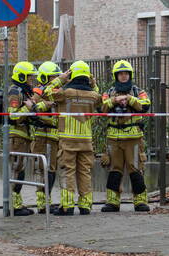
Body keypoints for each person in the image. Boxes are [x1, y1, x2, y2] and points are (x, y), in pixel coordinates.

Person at [49, 60, 101, 215]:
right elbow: (100, 97)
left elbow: (48, 92)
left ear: (72, 74)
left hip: (68, 141)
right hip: (86, 141)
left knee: (68, 172)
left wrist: (61, 78)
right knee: (85, 172)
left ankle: (67, 205)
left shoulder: (65, 94)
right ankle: (85, 205)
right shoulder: (93, 96)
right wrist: (93, 82)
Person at [101, 60, 152, 212]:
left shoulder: (138, 91)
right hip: (114, 138)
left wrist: (130, 99)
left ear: (130, 75)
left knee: (135, 169)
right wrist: (114, 100)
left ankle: (140, 201)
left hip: (133, 139)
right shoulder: (109, 92)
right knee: (114, 171)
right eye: (120, 74)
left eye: (126, 73)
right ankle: (112, 202)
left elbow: (145, 105)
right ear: (116, 76)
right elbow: (101, 108)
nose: (123, 76)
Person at [30, 61, 62, 213]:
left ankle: (46, 201)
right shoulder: (38, 92)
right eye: (52, 77)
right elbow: (34, 109)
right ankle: (42, 203)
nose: (55, 79)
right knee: (42, 169)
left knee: (52, 170)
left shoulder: (58, 92)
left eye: (56, 76)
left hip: (54, 136)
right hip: (42, 135)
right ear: (44, 78)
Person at [7, 61, 38, 216]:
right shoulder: (15, 91)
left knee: (20, 171)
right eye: (29, 77)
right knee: (16, 171)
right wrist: (29, 106)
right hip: (16, 137)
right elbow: (13, 115)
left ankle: (17, 204)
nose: (31, 81)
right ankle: (14, 206)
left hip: (23, 137)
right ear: (21, 76)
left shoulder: (23, 91)